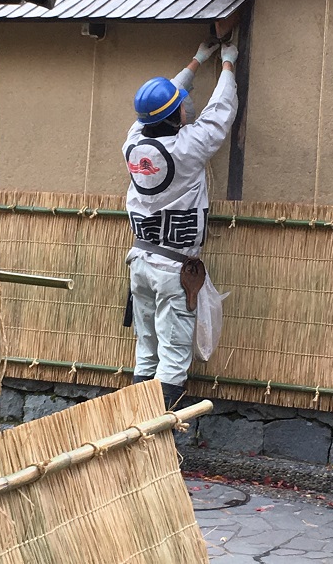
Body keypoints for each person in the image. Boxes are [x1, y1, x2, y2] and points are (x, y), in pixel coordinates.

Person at [122, 39, 239, 409]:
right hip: (173, 269)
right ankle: (158, 431)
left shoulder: (133, 143)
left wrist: (198, 58)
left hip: (140, 262)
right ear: (177, 115)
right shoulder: (189, 147)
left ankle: (136, 423)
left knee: (147, 348)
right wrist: (228, 62)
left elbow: (156, 104)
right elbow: (220, 110)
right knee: (173, 355)